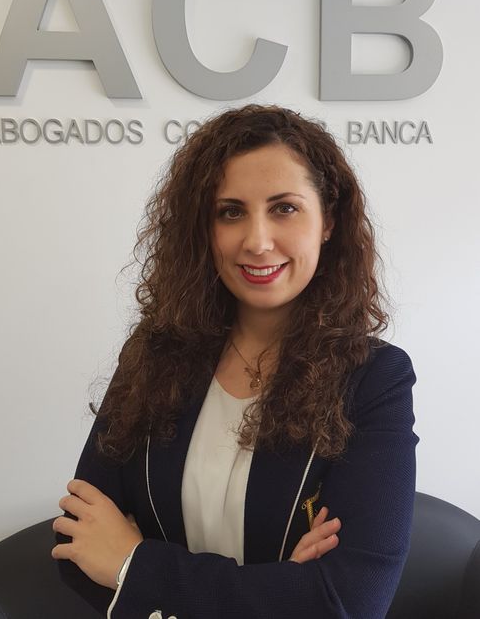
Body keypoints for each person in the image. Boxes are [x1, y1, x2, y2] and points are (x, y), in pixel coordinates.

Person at [52, 104, 418, 619]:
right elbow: (77, 545)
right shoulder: (153, 354)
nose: (257, 241)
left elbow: (348, 601)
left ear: (328, 222)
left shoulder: (374, 379)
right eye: (231, 212)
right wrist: (280, 588)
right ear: (204, 229)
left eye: (284, 208)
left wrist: (134, 563)